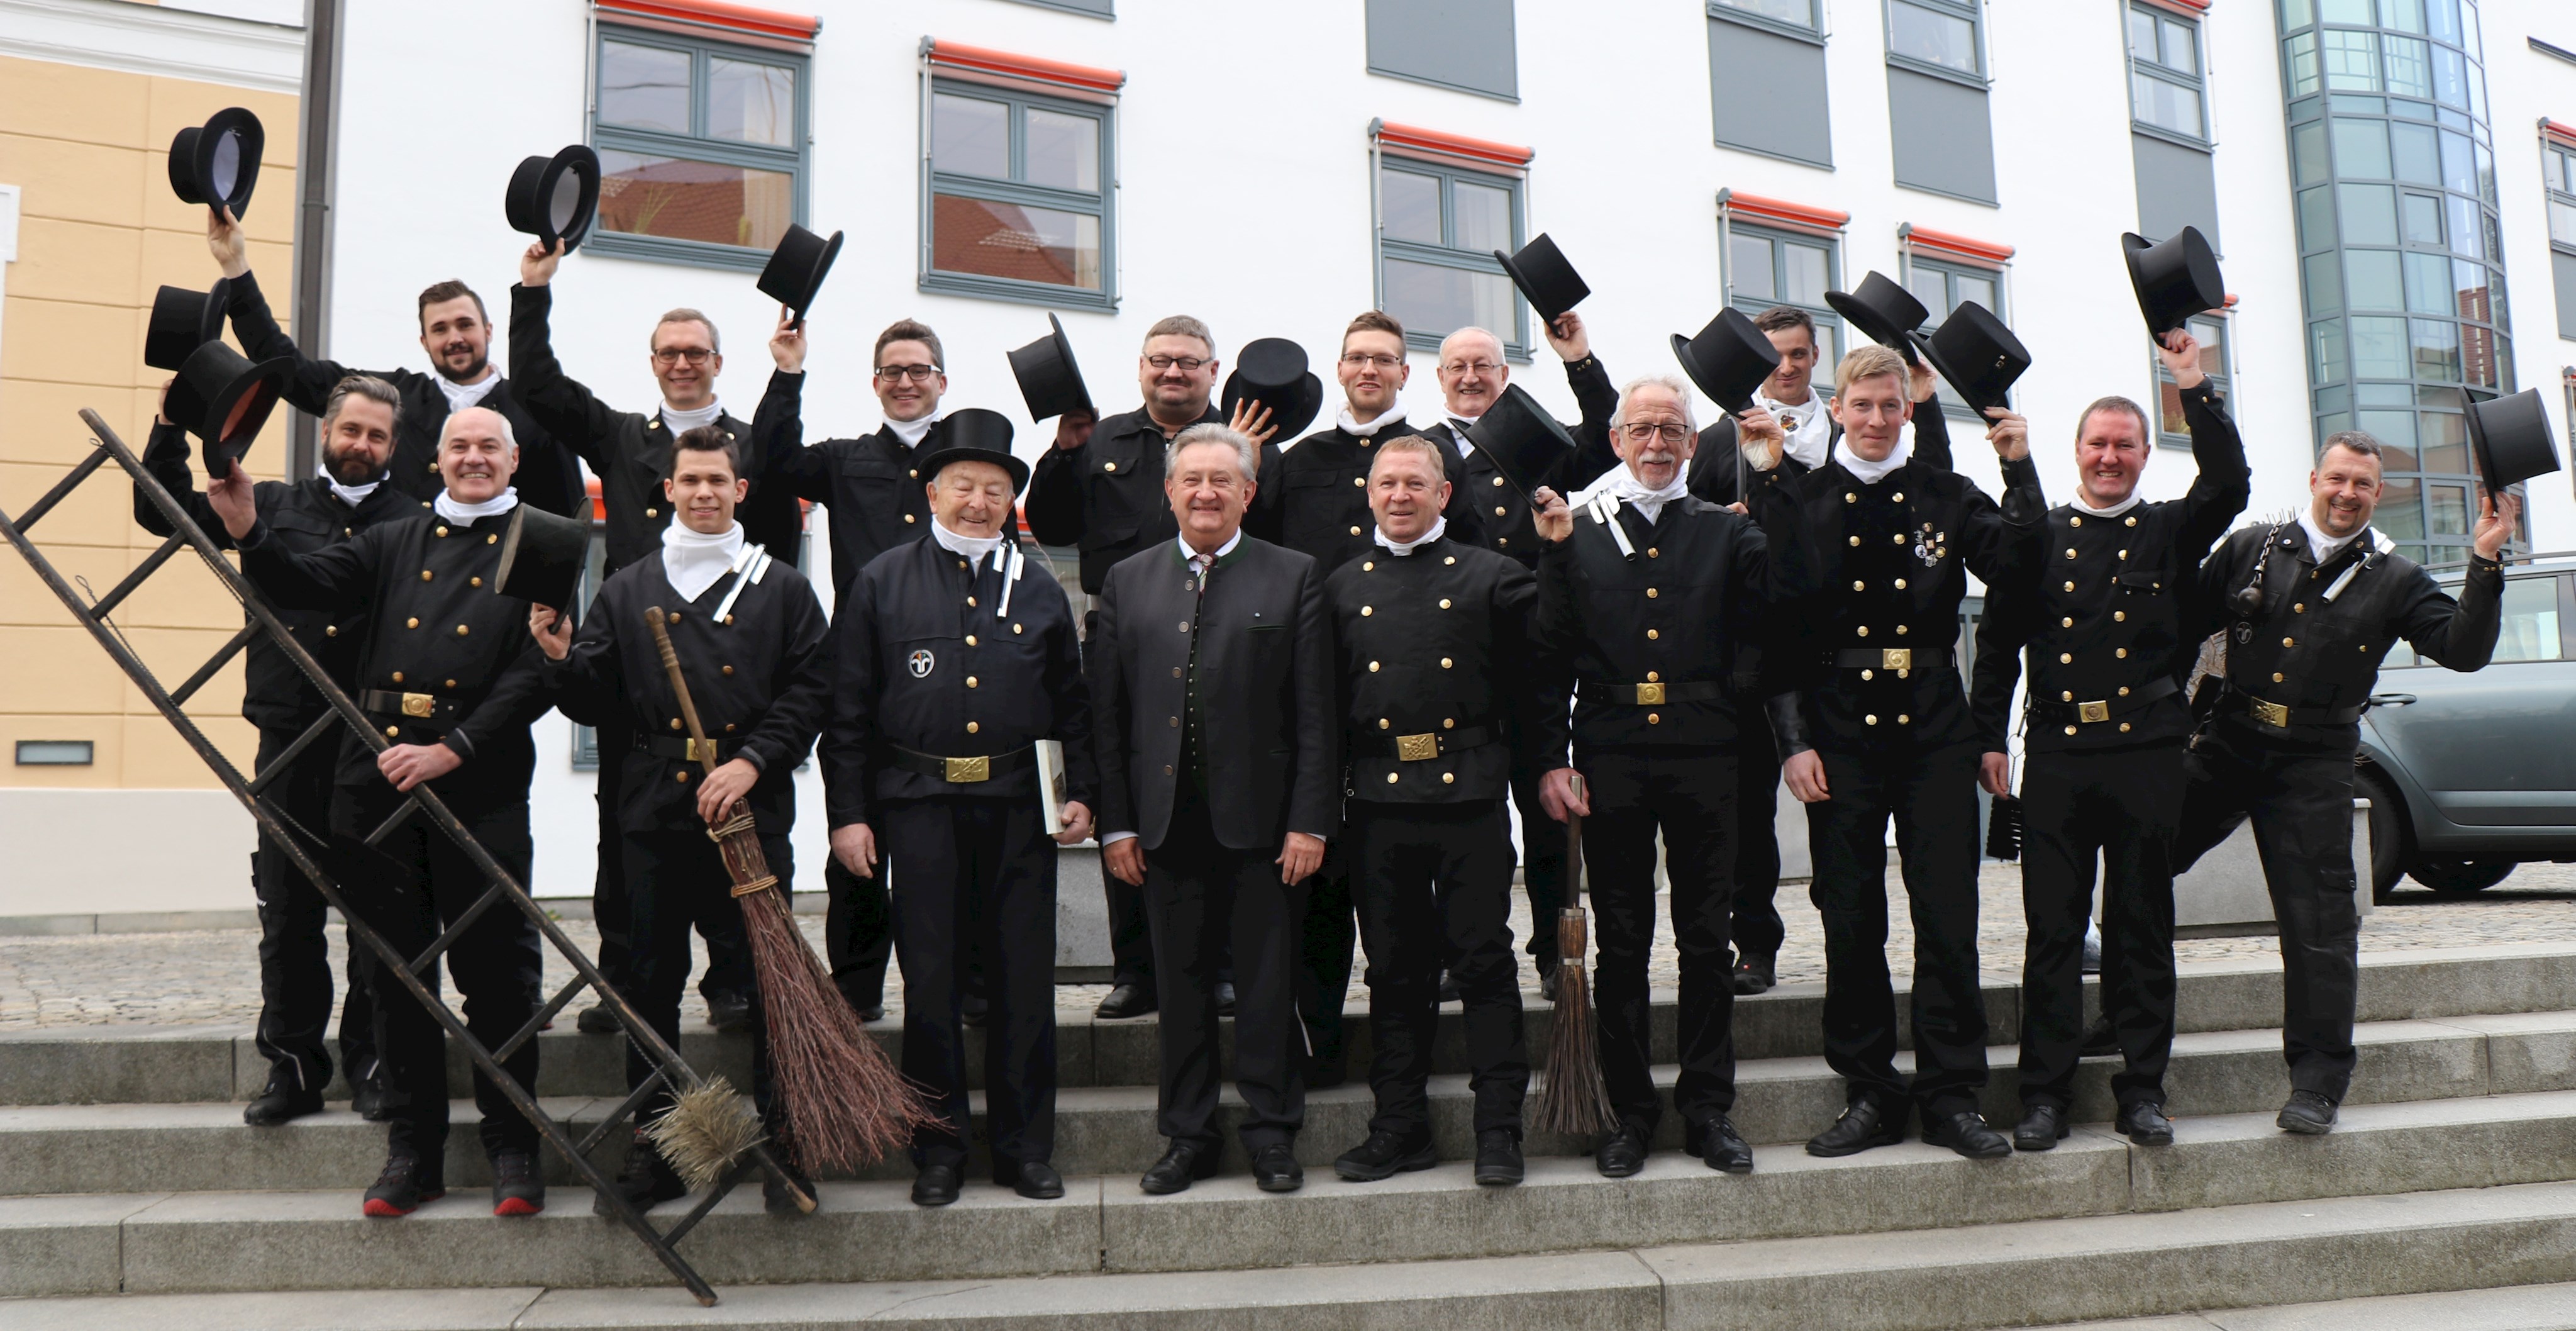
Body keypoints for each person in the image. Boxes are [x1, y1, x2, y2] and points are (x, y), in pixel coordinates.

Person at [209, 406, 555, 1219]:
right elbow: (305, 584)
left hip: (481, 782)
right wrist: (251, 529)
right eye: (459, 446)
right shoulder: (396, 539)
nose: (474, 458)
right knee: (395, 977)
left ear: (511, 461)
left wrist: (454, 747)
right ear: (436, 461)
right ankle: (413, 1153)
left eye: (488, 447)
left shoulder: (544, 540)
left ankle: (513, 1146)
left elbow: (537, 673)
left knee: (499, 978)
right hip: (379, 785)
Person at [530, 423, 833, 1215]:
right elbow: (596, 701)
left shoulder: (782, 589)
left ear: (741, 490)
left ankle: (786, 1138)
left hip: (749, 804)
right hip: (654, 806)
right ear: (667, 489)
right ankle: (662, 1145)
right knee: (648, 981)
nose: (703, 492)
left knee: (771, 981)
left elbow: (811, 691)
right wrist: (562, 659)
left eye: (718, 480)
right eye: (689, 480)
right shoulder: (628, 585)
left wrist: (752, 760)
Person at [1750, 343, 2041, 1161]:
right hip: (1838, 737)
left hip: (1934, 733)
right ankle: (1871, 1093)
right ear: (1836, 409)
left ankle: (1951, 1096)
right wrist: (1793, 742)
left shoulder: (1947, 496)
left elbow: (2022, 571)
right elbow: (1778, 636)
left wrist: (2020, 472)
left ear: (1907, 413)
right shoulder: (1800, 502)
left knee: (1948, 918)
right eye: (1862, 406)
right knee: (1851, 920)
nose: (1876, 420)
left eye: (1891, 407)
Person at [2176, 432, 2511, 1135]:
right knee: (2144, 862)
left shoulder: (2396, 578)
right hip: (2229, 740)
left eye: (2361, 483)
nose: (2346, 493)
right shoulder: (2254, 547)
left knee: (2319, 923)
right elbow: (2179, 626)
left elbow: (2464, 650)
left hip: (2316, 759)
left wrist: (2484, 559)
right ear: (2313, 478)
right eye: (2337, 478)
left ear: (2375, 493)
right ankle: (2124, 1016)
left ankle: (2318, 1082)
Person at [1970, 330, 2250, 1151]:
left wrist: (2190, 382)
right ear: (2078, 449)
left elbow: (2229, 481)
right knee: (2054, 931)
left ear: (2139, 454)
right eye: (2098, 443)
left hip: (2148, 754)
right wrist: (1989, 735)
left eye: (2126, 445)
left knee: (2140, 925)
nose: (2111, 457)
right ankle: (2046, 1096)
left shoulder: (2168, 529)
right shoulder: (2040, 536)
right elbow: (1996, 641)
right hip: (2058, 754)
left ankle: (2143, 1090)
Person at [510, 238, 792, 1036]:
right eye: (669, 352)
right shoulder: (621, 435)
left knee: (739, 851)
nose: (682, 364)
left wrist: (789, 371)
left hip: (736, 677)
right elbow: (537, 385)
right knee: (622, 848)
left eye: (695, 352)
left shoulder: (751, 443)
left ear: (717, 361)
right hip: (634, 675)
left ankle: (734, 982)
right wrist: (533, 289)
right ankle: (628, 979)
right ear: (653, 361)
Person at [821, 418, 1097, 1207]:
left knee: (1023, 981)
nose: (979, 502)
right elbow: (848, 713)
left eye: (996, 489)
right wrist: (849, 814)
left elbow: (1071, 707)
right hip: (920, 809)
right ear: (932, 491)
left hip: (1017, 809)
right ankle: (937, 1148)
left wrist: (1082, 793)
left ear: (1013, 498)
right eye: (964, 486)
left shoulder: (1038, 583)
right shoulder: (881, 580)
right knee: (932, 982)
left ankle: (1023, 1148)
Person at [135, 374, 413, 1125]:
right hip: (288, 736)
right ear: (326, 432)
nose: (361, 444)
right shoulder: (274, 503)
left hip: (373, 745)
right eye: (351, 430)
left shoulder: (412, 523)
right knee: (288, 909)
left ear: (394, 445)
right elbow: (155, 512)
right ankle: (292, 1067)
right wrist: (169, 426)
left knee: (376, 917)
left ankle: (375, 1064)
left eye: (377, 435)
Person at [1526, 376, 1775, 1177]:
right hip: (1612, 752)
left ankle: (1708, 1108)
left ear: (1694, 444)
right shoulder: (1577, 533)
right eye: (1642, 428)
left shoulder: (1728, 532)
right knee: (1624, 942)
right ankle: (1628, 1112)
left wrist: (1769, 485)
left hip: (1708, 753)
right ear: (1616, 441)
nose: (1658, 442)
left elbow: (1770, 623)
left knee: (1706, 940)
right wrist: (1551, 760)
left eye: (1672, 428)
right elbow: (1548, 653)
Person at [1090, 424, 1335, 1196]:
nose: (1204, 492)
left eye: (1221, 481)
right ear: (1168, 492)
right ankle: (1186, 1135)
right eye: (1190, 479)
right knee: (1182, 989)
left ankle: (1270, 1131)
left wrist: (1308, 820)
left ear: (1247, 494)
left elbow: (1316, 716)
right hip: (1163, 828)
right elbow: (1109, 719)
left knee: (1266, 987)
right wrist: (1117, 822)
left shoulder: (1294, 575)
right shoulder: (1127, 581)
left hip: (1264, 829)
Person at [1248, 310, 1479, 1086]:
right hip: (1317, 687)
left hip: (1415, 700)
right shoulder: (1295, 458)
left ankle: (1416, 1042)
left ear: (1405, 373)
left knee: (1407, 904)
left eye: (1385, 358)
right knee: (1317, 886)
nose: (1369, 369)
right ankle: (1318, 1042)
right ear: (1339, 370)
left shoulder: (1439, 455)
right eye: (1356, 358)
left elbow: (1470, 553)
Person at [1024, 315, 1269, 1021]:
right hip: (1121, 638)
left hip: (1225, 633)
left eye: (1189, 363)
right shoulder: (1098, 439)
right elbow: (1053, 525)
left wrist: (1255, 462)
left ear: (1212, 372)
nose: (1173, 373)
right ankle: (1136, 970)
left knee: (1214, 792)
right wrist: (1063, 454)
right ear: (1140, 367)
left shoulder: (1244, 441)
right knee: (1122, 794)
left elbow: (1272, 535)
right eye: (1160, 361)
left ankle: (1220, 966)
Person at [1326, 436, 1546, 1188]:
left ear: (1443, 494)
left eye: (1414, 483)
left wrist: (1547, 769)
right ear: (1368, 492)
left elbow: (1540, 681)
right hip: (1379, 803)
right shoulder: (1341, 587)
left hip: (1469, 797)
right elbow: (1324, 710)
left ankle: (1499, 1127)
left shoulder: (1495, 577)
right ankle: (1400, 1125)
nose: (1398, 495)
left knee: (1484, 964)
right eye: (1386, 483)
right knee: (1392, 970)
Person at [758, 314, 955, 1024]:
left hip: (949, 676)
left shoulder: (963, 455)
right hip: (863, 676)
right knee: (857, 839)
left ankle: (962, 988)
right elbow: (772, 461)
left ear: (941, 381)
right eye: (893, 372)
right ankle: (857, 988)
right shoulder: (843, 459)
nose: (906, 382)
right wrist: (788, 373)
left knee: (946, 846)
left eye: (919, 370)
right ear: (876, 383)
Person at [1413, 319, 1617, 996]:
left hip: (1534, 653)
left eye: (1484, 364)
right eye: (1457, 366)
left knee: (1548, 807)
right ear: (1438, 377)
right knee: (1459, 813)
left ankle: (1554, 954)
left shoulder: (1536, 442)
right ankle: (1458, 947)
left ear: (1504, 375)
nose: (1470, 376)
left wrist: (1578, 361)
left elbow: (1602, 436)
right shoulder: (1417, 451)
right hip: (1455, 656)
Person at [203, 206, 586, 520]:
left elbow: (568, 518)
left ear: (488, 330)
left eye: (465, 325)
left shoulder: (537, 408)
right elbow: (291, 371)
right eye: (440, 329)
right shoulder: (393, 398)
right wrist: (236, 266)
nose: (454, 338)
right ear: (424, 342)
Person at [1685, 304, 1843, 996]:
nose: (1787, 366)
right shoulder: (1722, 441)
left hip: (1830, 650)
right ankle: (1754, 941)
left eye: (1799, 354)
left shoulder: (1846, 431)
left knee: (1837, 804)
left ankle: (1848, 929)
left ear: (1815, 357)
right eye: (1773, 355)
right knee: (1746, 811)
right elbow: (1690, 530)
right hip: (1747, 651)